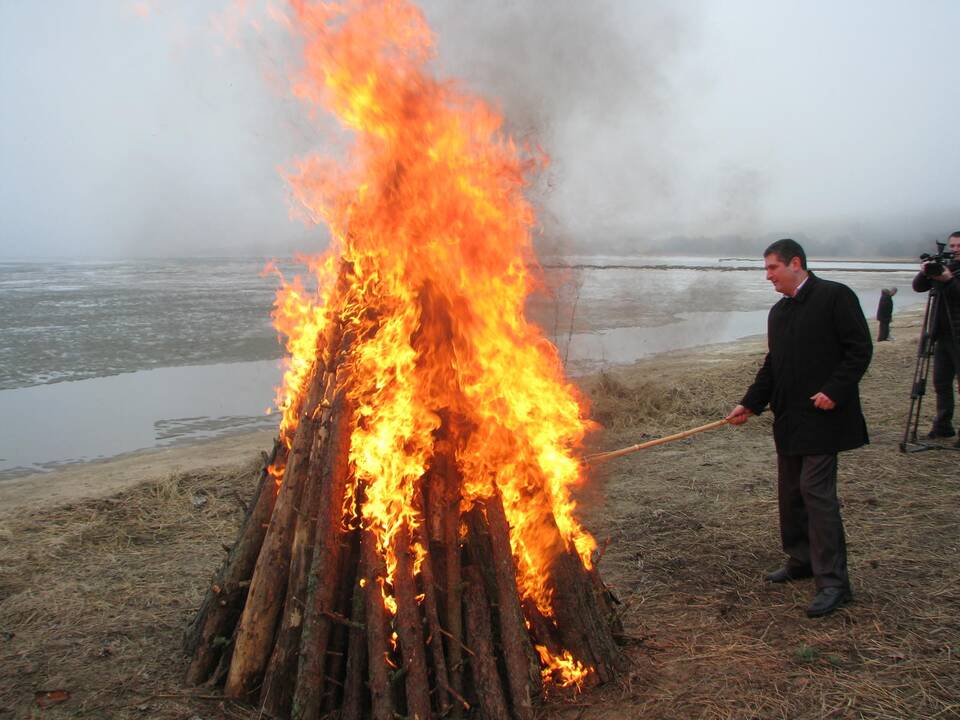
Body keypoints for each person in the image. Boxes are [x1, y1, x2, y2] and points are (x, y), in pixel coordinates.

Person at [726, 239, 872, 618]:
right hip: (789, 419)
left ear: (795, 263)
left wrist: (834, 391)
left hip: (825, 418)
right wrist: (750, 403)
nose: (768, 276)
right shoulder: (779, 312)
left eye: (773, 268)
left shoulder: (835, 297)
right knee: (791, 491)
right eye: (766, 270)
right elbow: (774, 365)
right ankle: (801, 560)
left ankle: (834, 583)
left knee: (816, 493)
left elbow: (859, 349)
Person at [911, 231, 960, 442]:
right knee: (941, 383)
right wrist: (927, 271)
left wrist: (948, 279)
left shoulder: (951, 273)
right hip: (941, 334)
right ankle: (943, 425)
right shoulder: (947, 266)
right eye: (953, 245)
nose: (955, 249)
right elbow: (918, 287)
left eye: (959, 246)